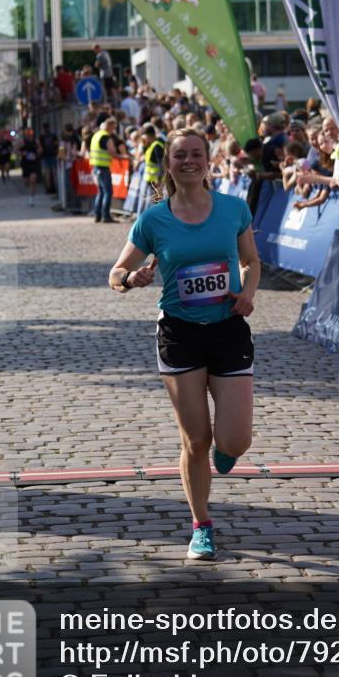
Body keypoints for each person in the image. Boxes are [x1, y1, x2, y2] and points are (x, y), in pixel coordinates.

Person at [108, 128, 260, 561]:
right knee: (195, 439)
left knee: (235, 441)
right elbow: (116, 272)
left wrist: (247, 292)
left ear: (208, 160)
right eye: (180, 156)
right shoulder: (153, 218)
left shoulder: (232, 209)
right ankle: (201, 525)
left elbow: (251, 262)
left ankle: (226, 453)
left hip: (228, 328)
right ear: (169, 164)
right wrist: (129, 279)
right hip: (180, 334)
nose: (189, 161)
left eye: (196, 154)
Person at [89, 116, 128, 223]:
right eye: (113, 127)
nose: (114, 129)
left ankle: (97, 215)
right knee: (108, 192)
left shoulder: (96, 135)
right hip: (103, 168)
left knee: (100, 192)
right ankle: (106, 216)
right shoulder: (106, 137)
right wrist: (125, 157)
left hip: (96, 167)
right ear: (109, 126)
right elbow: (112, 152)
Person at [20, 128, 41, 206]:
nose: (29, 135)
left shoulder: (36, 141)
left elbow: (40, 149)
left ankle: (31, 199)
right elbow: (16, 150)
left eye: (30, 134)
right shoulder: (22, 142)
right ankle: (31, 187)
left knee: (33, 180)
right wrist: (22, 153)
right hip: (25, 164)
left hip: (34, 163)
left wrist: (38, 152)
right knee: (26, 182)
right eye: (27, 134)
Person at [39, 123, 59, 194]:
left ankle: (48, 188)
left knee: (46, 173)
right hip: (53, 155)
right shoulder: (53, 135)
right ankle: (56, 188)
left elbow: (40, 148)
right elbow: (57, 144)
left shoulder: (41, 136)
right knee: (54, 173)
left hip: (45, 156)